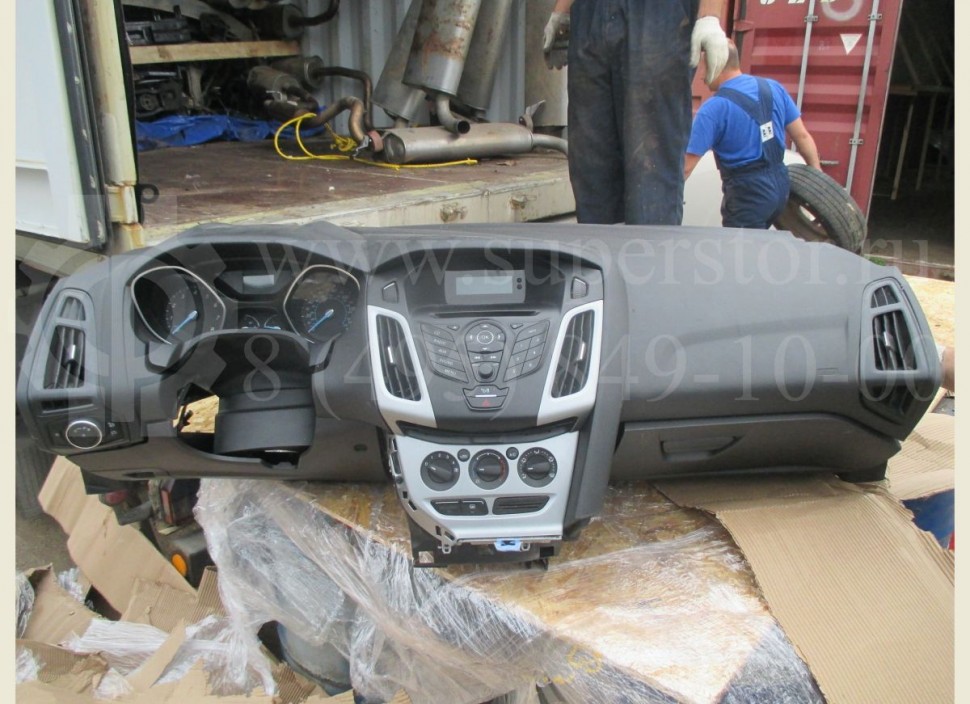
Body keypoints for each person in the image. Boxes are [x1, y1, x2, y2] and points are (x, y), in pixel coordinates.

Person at [542, 0, 729, 226]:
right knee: (592, 170)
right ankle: (598, 247)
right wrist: (562, 11)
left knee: (650, 171)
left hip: (657, 14)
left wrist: (709, 15)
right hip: (589, 12)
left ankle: (648, 248)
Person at [684, 41, 821, 229]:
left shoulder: (713, 109)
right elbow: (802, 136)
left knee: (740, 246)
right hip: (781, 188)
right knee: (758, 242)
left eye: (703, 68)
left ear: (716, 64)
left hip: (748, 195)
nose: (701, 76)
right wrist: (818, 180)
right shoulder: (773, 88)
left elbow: (686, 167)